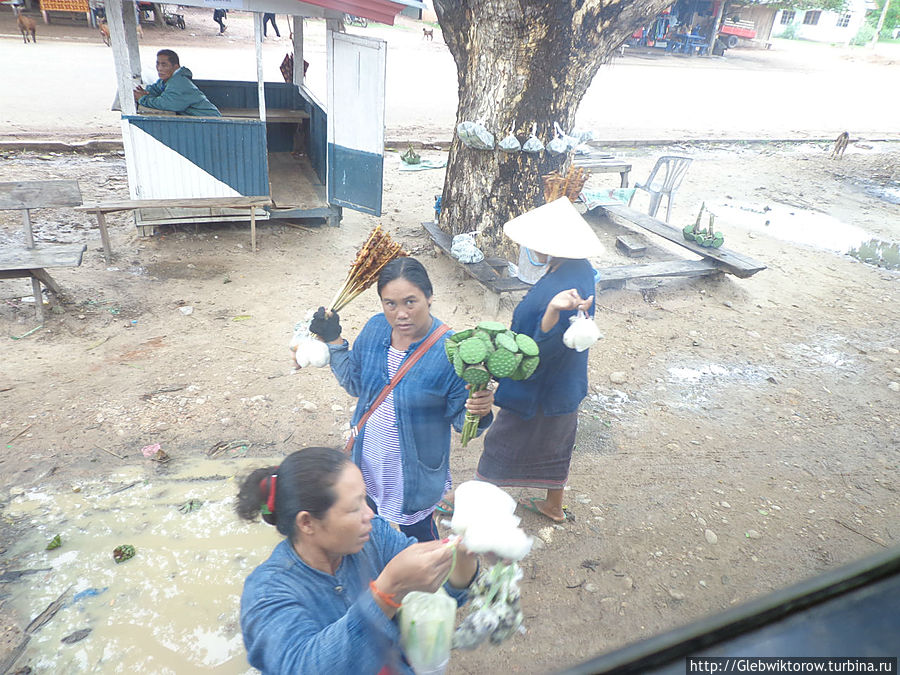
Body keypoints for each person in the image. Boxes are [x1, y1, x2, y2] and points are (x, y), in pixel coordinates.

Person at [237, 447, 478, 674]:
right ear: (307, 523)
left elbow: (435, 594)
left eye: (365, 498)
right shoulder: (265, 593)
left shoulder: (374, 537)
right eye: (354, 508)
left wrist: (463, 557)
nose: (370, 514)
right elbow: (302, 666)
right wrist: (387, 592)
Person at [309, 258, 494, 542]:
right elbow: (355, 383)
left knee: (419, 535)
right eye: (390, 304)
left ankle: (433, 581)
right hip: (368, 459)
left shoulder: (452, 351)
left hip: (413, 474)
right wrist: (334, 340)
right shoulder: (374, 329)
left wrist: (479, 411)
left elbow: (462, 421)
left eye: (411, 302)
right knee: (368, 526)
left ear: (429, 297)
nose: (401, 314)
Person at [475, 198, 601, 523]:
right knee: (556, 444)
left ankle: (477, 505)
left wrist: (547, 315)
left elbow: (546, 349)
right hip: (565, 386)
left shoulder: (568, 287)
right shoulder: (577, 268)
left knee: (501, 443)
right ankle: (553, 506)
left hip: (539, 385)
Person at [133, 49, 221, 117]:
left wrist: (143, 98)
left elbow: (166, 104)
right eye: (158, 64)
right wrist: (145, 93)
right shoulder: (167, 80)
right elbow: (155, 89)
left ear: (176, 67)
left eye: (164, 65)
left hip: (212, 122)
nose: (159, 68)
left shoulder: (179, 83)